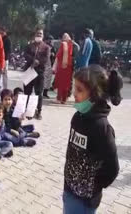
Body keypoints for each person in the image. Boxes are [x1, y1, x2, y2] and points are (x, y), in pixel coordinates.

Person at [63, 65, 122, 214]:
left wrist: (92, 186)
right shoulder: (77, 117)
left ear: (95, 95)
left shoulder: (102, 129)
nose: (74, 93)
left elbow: (112, 169)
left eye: (80, 90)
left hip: (85, 201)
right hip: (69, 190)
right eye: (74, 88)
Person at [23, 27, 50, 120]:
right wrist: (32, 60)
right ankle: (28, 111)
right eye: (37, 33)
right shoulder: (29, 45)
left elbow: (46, 59)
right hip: (29, 70)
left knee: (39, 93)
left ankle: (39, 111)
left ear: (43, 35)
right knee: (27, 92)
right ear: (35, 35)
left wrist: (38, 62)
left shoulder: (46, 47)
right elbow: (25, 54)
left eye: (41, 34)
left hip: (39, 72)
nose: (39, 35)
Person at [53, 33, 74, 104]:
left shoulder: (63, 44)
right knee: (66, 84)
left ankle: (59, 98)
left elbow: (59, 54)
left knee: (60, 83)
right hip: (69, 66)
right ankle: (64, 99)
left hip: (62, 66)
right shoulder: (71, 44)